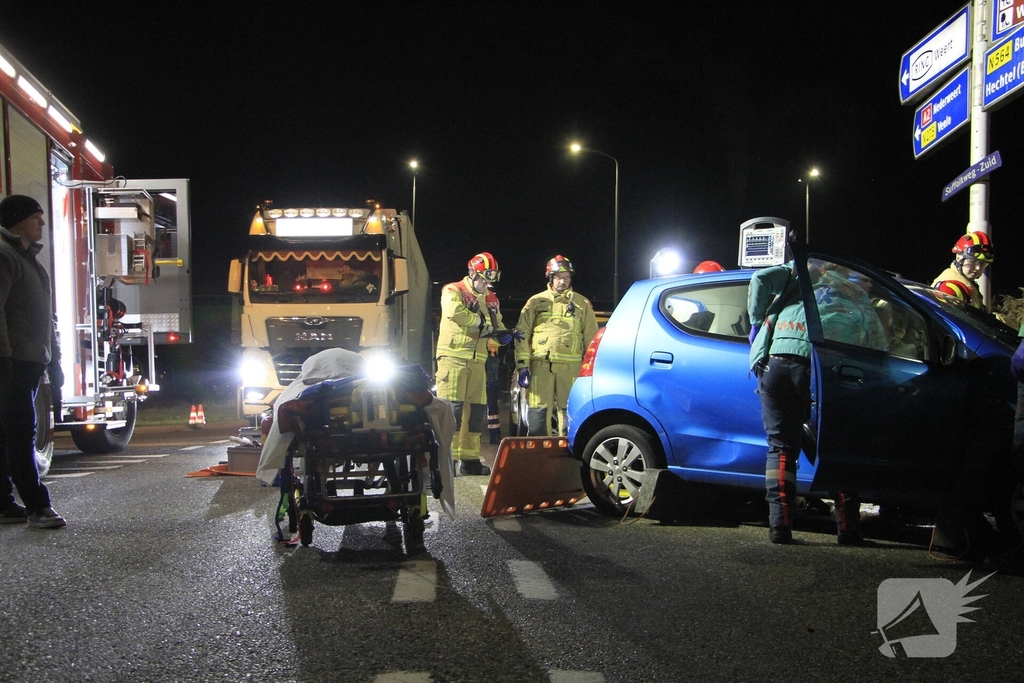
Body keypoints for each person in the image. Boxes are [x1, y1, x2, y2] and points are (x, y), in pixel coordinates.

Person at [747, 260, 875, 545]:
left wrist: (756, 323)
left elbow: (759, 278)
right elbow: (874, 341)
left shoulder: (800, 273)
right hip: (821, 368)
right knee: (835, 444)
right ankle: (848, 528)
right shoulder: (856, 295)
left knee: (780, 448)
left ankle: (779, 525)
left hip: (776, 360)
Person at [0, 194, 66, 528]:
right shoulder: (5, 255)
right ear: (18, 221)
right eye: (36, 218)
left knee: (6, 433)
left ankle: (3, 503)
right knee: (21, 431)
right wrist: (3, 356)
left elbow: (44, 317)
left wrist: (53, 360)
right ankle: (37, 506)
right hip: (12, 361)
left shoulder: (29, 259)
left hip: (30, 360)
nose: (41, 224)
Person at [435, 252, 514, 475]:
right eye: (484, 278)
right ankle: (445, 460)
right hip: (453, 359)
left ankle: (469, 459)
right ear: (472, 273)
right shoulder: (453, 290)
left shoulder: (491, 299)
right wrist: (482, 324)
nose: (487, 284)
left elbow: (496, 324)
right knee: (452, 412)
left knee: (475, 412)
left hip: (478, 362)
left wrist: (503, 336)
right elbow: (455, 314)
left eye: (490, 279)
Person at [514, 255, 598, 436]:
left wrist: (589, 370)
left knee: (569, 411)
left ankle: (567, 458)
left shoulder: (582, 304)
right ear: (550, 278)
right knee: (538, 410)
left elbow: (591, 339)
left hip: (571, 369)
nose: (563, 282)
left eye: (566, 277)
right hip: (540, 366)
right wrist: (522, 365)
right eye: (559, 277)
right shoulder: (535, 302)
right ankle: (538, 455)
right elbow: (522, 334)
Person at [932, 231, 993, 310]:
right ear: (958, 258)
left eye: (982, 264)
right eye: (972, 261)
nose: (978, 268)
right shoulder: (951, 288)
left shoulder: (966, 282)